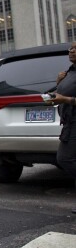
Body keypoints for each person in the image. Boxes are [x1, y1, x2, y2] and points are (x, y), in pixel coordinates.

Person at [52, 41, 76, 181]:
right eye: (71, 48)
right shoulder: (68, 72)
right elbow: (60, 93)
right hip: (68, 123)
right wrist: (58, 83)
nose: (71, 51)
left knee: (65, 159)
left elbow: (66, 97)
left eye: (75, 49)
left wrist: (65, 100)